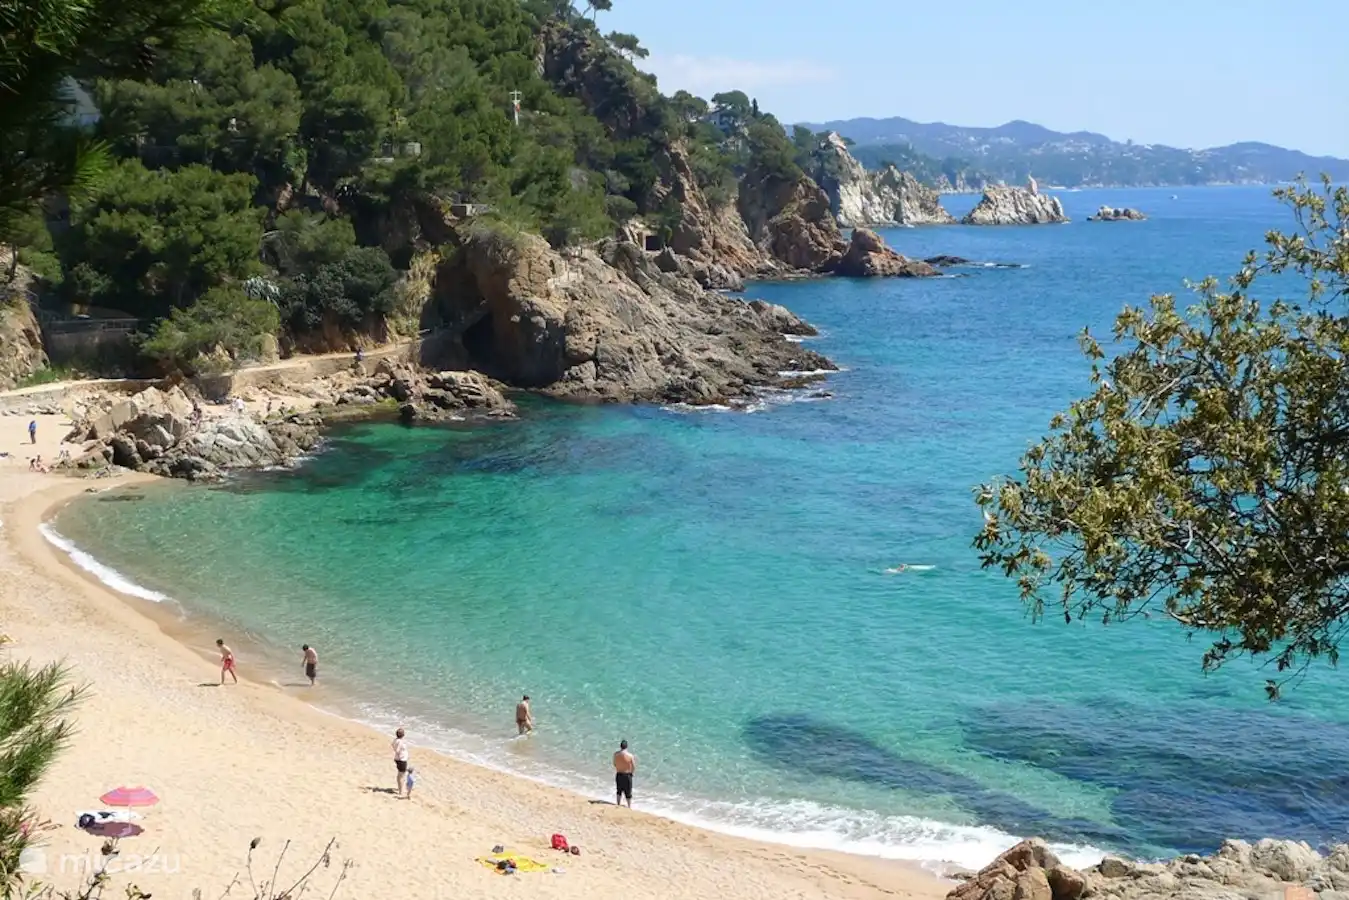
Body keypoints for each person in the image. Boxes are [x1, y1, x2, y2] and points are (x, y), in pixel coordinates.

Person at [613, 739, 636, 808]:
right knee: (628, 792)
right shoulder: (630, 756)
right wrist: (631, 773)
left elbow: (614, 764)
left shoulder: (616, 754)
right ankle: (629, 806)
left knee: (619, 790)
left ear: (620, 746)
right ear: (627, 746)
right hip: (627, 775)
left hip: (619, 773)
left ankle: (618, 804)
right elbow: (634, 767)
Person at [391, 728, 410, 797]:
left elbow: (393, 745)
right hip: (401, 760)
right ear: (403, 735)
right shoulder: (400, 741)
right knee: (401, 776)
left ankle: (401, 789)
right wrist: (400, 754)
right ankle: (401, 791)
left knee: (401, 775)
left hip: (399, 759)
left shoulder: (396, 740)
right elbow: (397, 750)